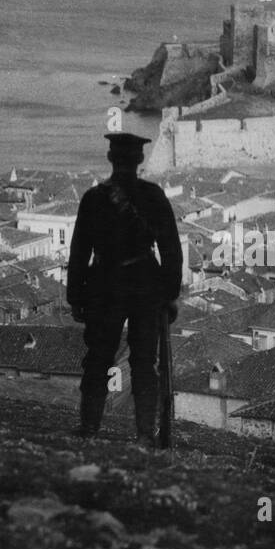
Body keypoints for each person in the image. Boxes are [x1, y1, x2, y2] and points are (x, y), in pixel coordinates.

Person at [67, 132, 182, 445]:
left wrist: (75, 296)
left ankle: (89, 426)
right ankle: (146, 431)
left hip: (104, 284)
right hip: (145, 284)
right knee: (145, 361)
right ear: (139, 160)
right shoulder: (153, 195)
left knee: (99, 357)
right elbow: (171, 249)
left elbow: (79, 252)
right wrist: (170, 294)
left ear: (110, 158)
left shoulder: (93, 198)